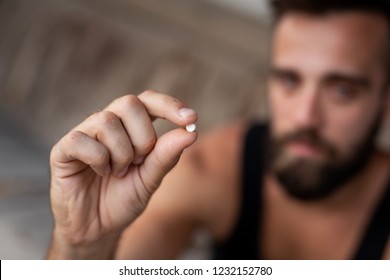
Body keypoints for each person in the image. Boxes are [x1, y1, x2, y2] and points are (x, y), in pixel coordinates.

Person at [47, 0, 390, 260]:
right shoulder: (209, 169)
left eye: (342, 90)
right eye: (289, 80)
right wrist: (81, 245)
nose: (305, 117)